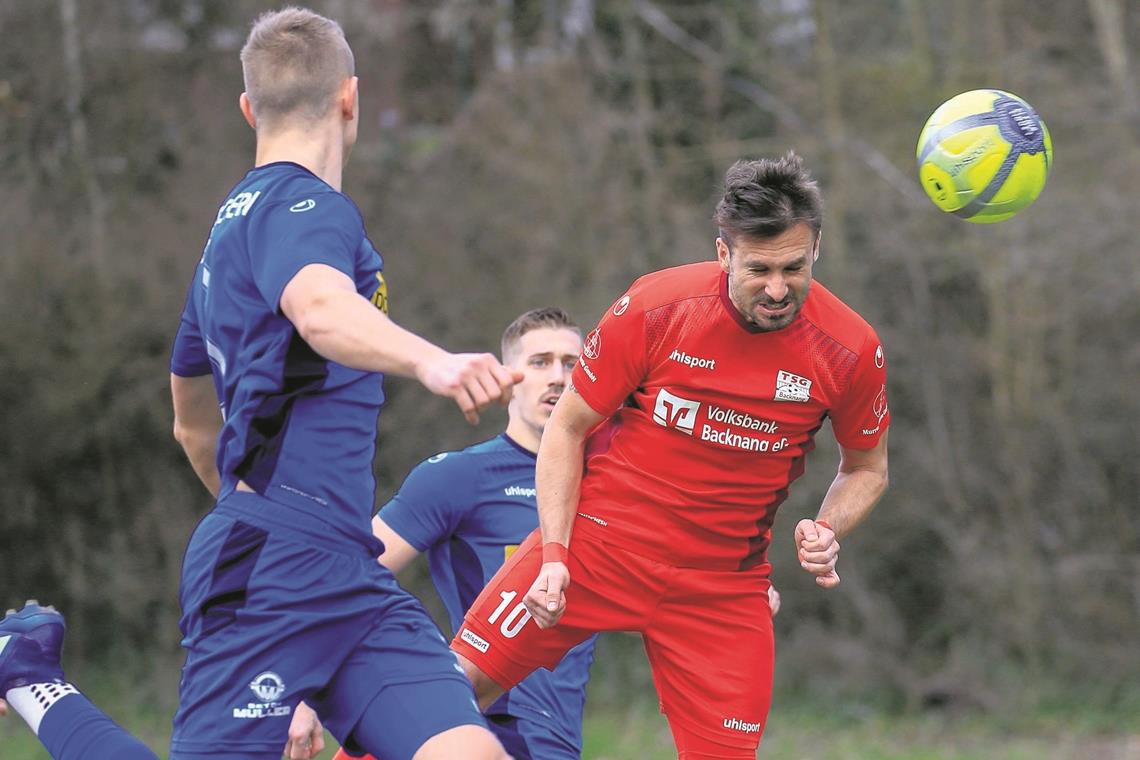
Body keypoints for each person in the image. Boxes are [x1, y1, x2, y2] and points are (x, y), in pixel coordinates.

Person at [1, 8, 516, 760]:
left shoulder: (225, 239)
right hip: (272, 571)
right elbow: (318, 307)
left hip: (345, 571)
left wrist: (263, 518)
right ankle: (30, 677)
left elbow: (191, 420)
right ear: (351, 97)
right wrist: (431, 361)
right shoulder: (302, 208)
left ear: (249, 108)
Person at [449, 152, 891, 759]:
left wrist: (828, 525)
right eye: (758, 269)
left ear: (817, 249)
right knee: (446, 694)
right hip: (597, 547)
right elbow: (567, 430)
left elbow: (866, 467)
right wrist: (554, 554)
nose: (778, 289)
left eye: (795, 267)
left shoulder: (849, 348)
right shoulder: (657, 307)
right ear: (723, 254)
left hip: (723, 586)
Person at [321, 307, 593, 760]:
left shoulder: (605, 483)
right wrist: (310, 692)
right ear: (508, 379)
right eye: (540, 362)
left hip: (556, 736)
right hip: (468, 725)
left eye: (572, 364)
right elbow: (344, 576)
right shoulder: (460, 476)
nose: (558, 377)